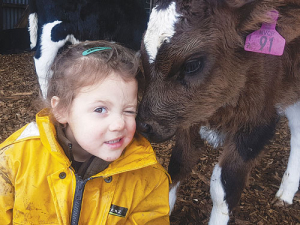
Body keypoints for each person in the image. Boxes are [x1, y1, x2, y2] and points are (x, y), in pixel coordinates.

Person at [0, 40, 171, 224]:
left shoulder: (147, 177)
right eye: (100, 109)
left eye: (129, 111)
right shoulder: (15, 160)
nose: (119, 124)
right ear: (62, 110)